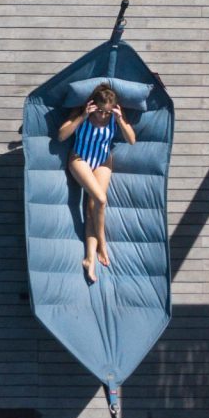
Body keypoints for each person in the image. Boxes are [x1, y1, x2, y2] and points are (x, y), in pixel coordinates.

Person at [57, 83, 136, 282]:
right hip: (80, 159)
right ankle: (103, 243)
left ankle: (89, 258)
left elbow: (132, 140)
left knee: (93, 206)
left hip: (102, 161)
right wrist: (83, 115)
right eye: (99, 111)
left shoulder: (114, 116)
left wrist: (118, 119)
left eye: (106, 112)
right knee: (100, 200)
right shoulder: (84, 111)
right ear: (94, 104)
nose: (102, 116)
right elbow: (61, 135)